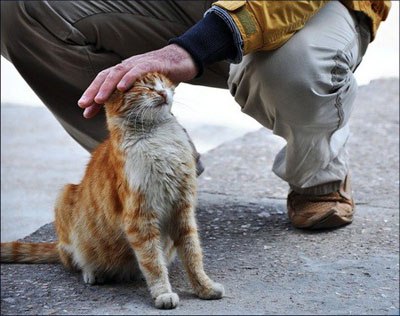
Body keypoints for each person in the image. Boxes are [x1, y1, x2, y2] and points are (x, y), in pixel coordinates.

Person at [1, 1, 391, 230]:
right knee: (20, 9)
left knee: (292, 71)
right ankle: (156, 175)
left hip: (306, 9)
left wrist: (193, 49)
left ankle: (319, 173)